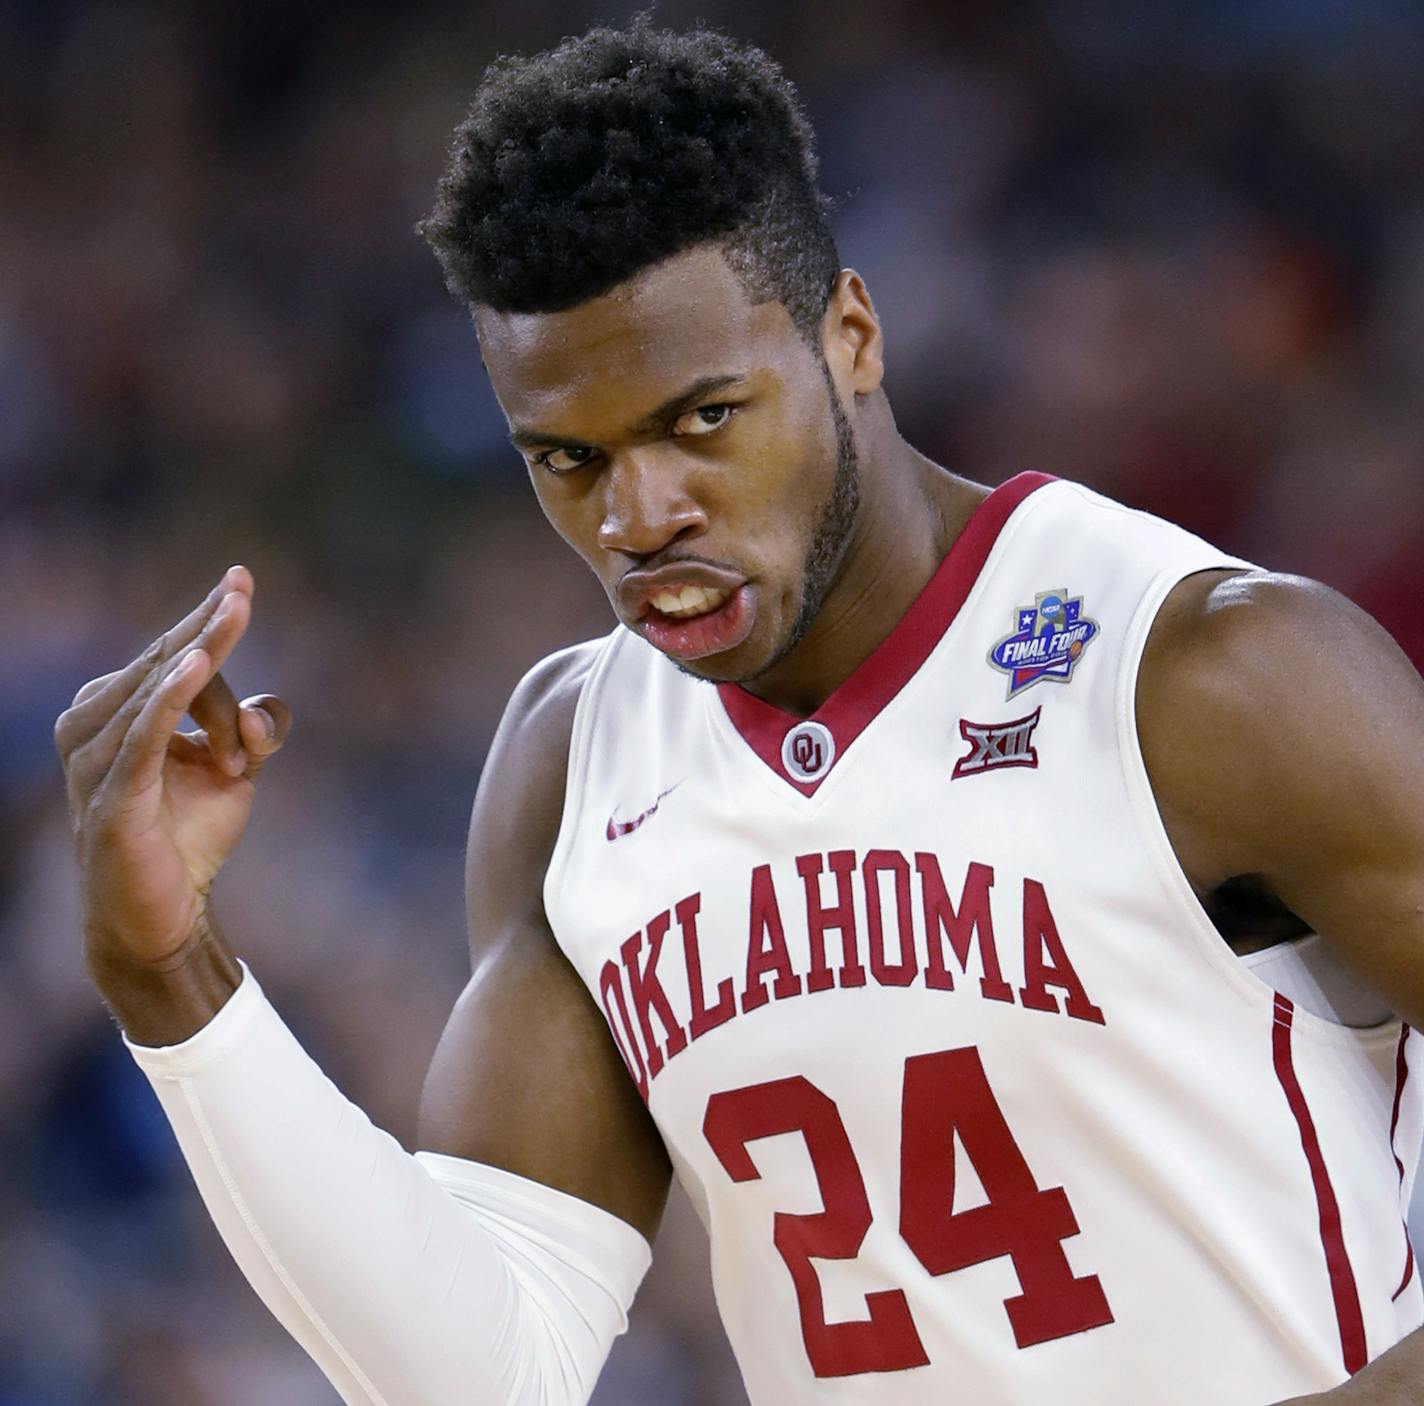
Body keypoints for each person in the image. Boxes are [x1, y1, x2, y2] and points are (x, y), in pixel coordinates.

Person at [54, 19, 1424, 1406]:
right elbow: (479, 1377)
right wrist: (171, 977)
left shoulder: (1209, 671)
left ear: (852, 334)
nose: (641, 515)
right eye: (570, 459)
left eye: (702, 420)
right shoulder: (571, 764)